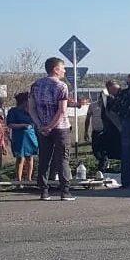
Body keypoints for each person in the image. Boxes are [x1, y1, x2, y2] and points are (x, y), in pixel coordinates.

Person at [29, 57, 76, 201]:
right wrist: (51, 126)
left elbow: (31, 108)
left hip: (42, 127)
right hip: (60, 127)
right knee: (62, 158)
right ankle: (65, 191)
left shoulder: (36, 85)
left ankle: (44, 190)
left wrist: (41, 125)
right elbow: (62, 110)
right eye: (63, 68)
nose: (64, 70)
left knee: (44, 158)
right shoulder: (61, 86)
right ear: (55, 69)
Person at [84, 80, 121, 173]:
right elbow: (88, 118)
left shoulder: (110, 105)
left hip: (105, 131)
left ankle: (103, 166)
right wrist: (86, 131)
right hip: (96, 131)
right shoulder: (93, 105)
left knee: (104, 150)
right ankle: (103, 162)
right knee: (96, 150)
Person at [6, 92, 39, 182]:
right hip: (19, 137)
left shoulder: (31, 111)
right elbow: (10, 124)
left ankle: (29, 179)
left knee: (30, 157)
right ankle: (19, 179)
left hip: (31, 136)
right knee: (20, 158)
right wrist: (23, 125)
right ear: (24, 101)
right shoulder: (13, 111)